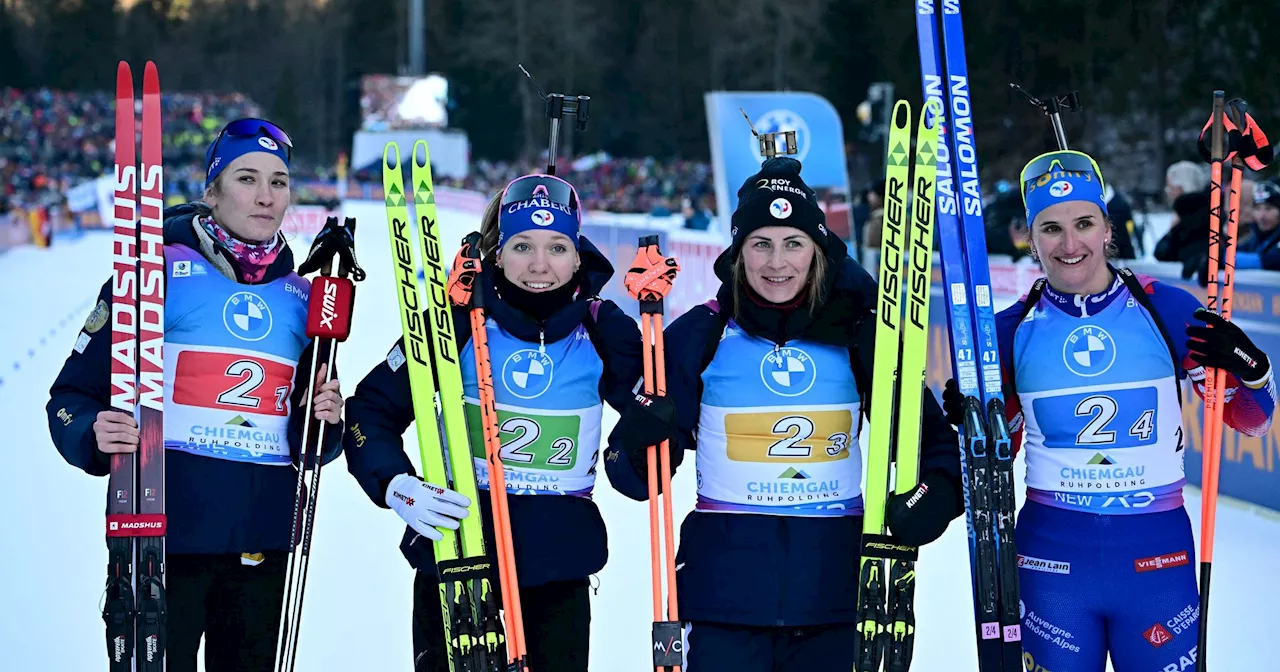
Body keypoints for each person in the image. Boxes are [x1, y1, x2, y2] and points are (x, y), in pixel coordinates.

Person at [603, 157, 965, 671]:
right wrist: (638, 438)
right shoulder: (700, 336)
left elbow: (935, 445)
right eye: (761, 243)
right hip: (722, 602)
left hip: (834, 599)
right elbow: (631, 476)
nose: (777, 262)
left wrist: (937, 496)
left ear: (818, 251)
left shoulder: (862, 336)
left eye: (793, 243)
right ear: (738, 252)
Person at [940, 150, 1276, 672]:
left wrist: (1252, 369)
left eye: (1083, 224)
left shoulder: (1167, 310)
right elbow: (993, 456)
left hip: (1156, 559)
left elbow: (1251, 421)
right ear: (1030, 237)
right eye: (1050, 228)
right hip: (1051, 562)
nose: (1069, 245)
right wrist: (970, 421)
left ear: (1106, 229)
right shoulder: (1009, 331)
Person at [46, 118, 345, 671]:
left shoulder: (306, 298)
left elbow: (313, 440)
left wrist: (326, 418)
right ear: (213, 190)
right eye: (246, 178)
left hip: (261, 543)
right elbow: (70, 396)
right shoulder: (151, 273)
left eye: (278, 182)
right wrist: (90, 428)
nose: (264, 196)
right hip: (162, 537)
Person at [342, 172, 643, 672]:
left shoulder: (602, 327)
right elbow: (370, 410)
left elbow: (653, 426)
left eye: (557, 247)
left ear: (578, 254)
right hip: (459, 554)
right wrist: (396, 484)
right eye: (522, 245)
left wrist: (640, 436)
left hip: (558, 569)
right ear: (496, 252)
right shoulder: (454, 320)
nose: (540, 266)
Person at [1154, 160, 1211, 277]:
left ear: (1179, 188)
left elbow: (1163, 252)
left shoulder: (1190, 219)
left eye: (1169, 188)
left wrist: (1171, 231)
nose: (1168, 193)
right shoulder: (1210, 210)